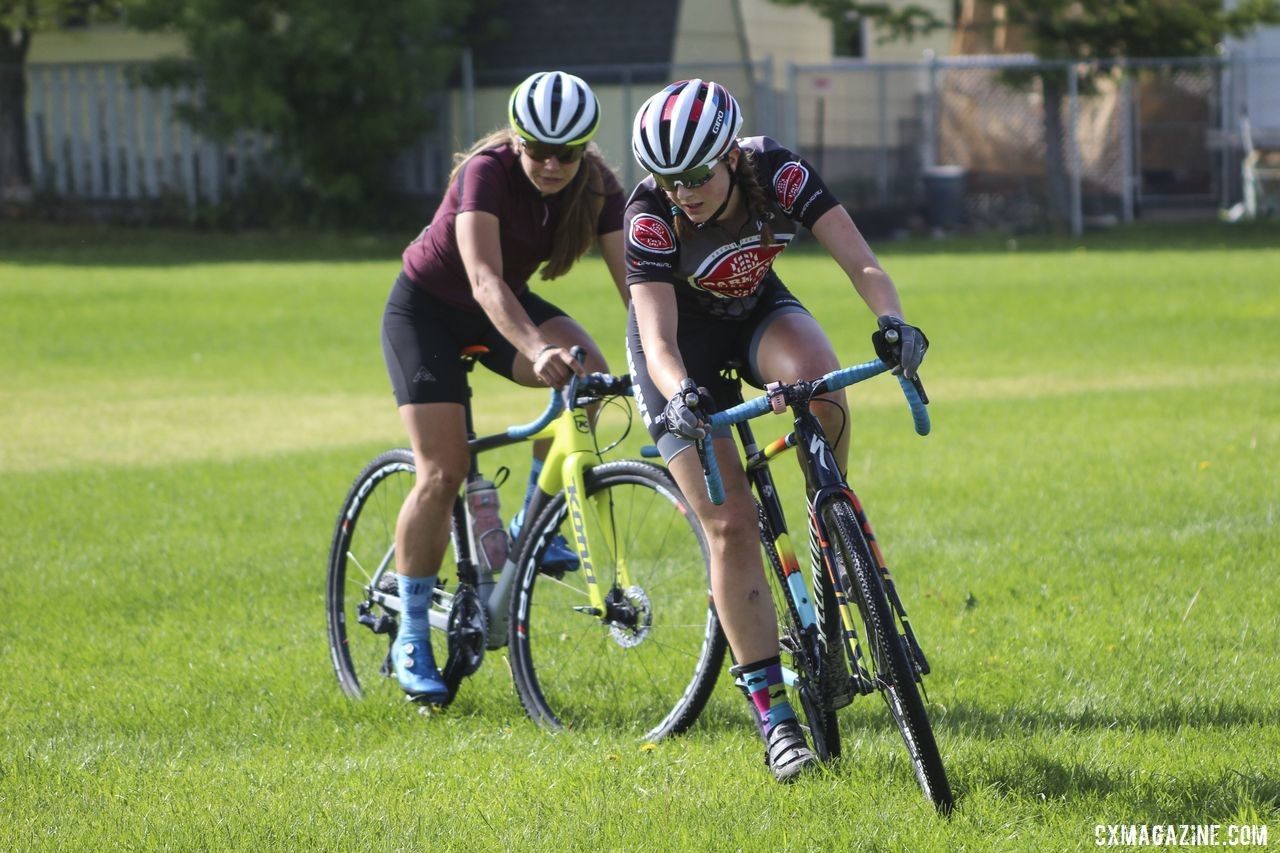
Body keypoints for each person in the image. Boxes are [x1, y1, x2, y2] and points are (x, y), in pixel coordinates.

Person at [624, 79, 928, 781]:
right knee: (730, 522)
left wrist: (893, 322)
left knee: (820, 377)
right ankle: (773, 713)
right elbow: (659, 341)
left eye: (698, 174)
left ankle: (834, 526)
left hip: (757, 313)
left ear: (731, 156)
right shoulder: (649, 213)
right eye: (671, 179)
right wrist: (682, 396)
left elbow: (860, 259)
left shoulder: (775, 169)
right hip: (680, 355)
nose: (685, 191)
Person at [381, 71, 628, 703]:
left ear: (586, 149)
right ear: (516, 140)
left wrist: (668, 354)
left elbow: (639, 285)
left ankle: (527, 530)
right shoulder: (486, 173)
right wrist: (537, 347)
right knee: (442, 471)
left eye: (566, 153)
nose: (550, 164)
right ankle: (410, 632)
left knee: (592, 378)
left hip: (504, 309)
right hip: (428, 312)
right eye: (537, 149)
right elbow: (485, 280)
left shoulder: (598, 186)